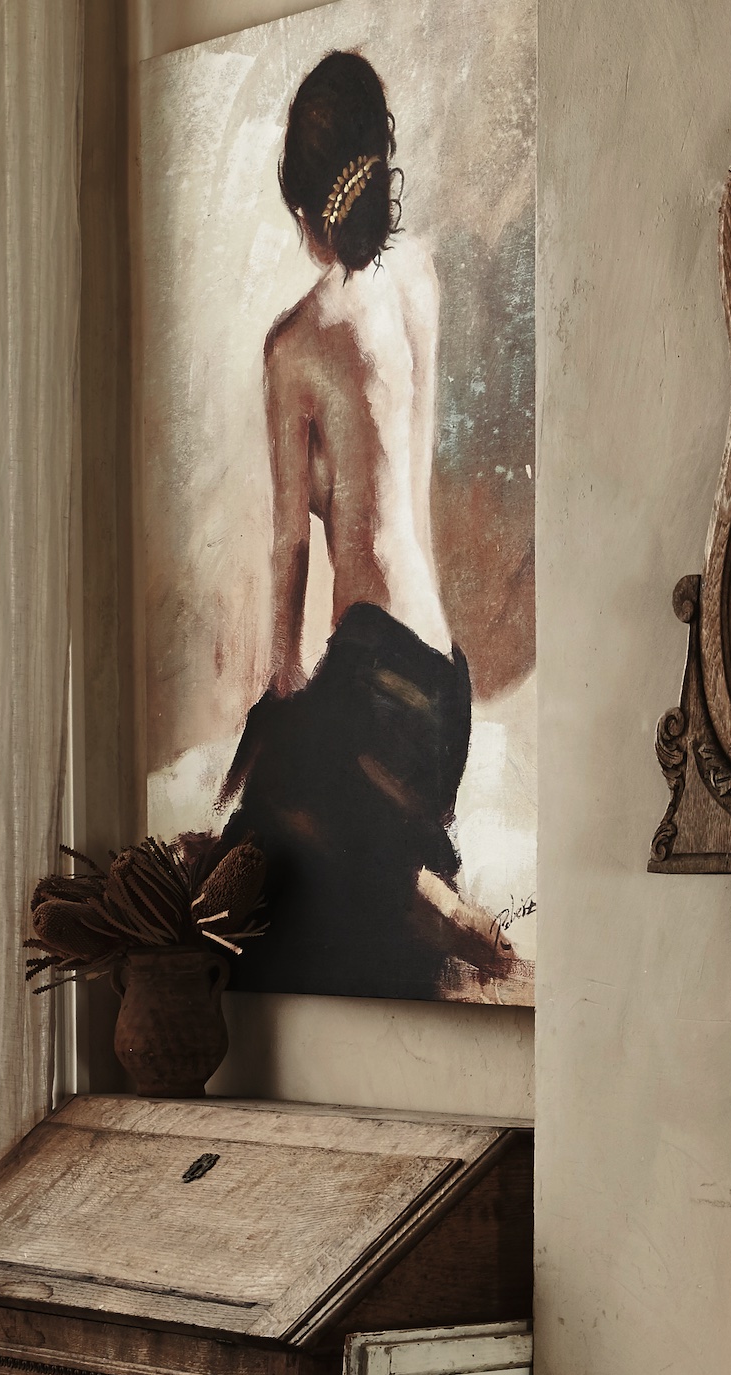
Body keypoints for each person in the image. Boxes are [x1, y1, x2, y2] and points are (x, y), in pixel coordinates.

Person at [218, 50, 515, 1001]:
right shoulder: (419, 284)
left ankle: (451, 920)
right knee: (335, 895)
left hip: (379, 684)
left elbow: (291, 541)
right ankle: (427, 901)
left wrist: (280, 680)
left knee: (247, 890)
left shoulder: (294, 344)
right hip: (443, 687)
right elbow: (400, 479)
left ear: (305, 210)